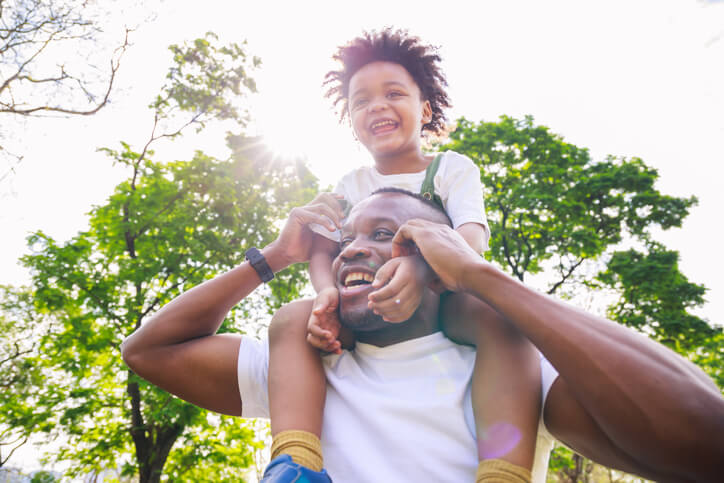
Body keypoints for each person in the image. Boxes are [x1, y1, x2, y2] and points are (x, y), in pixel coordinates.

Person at [121, 189, 724, 482]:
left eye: (389, 235)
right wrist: (276, 256)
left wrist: (482, 278)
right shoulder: (304, 362)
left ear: (437, 265)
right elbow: (149, 350)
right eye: (349, 237)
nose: (355, 245)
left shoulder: (507, 366)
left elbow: (706, 443)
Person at [267, 28, 541, 482]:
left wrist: (421, 267)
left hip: (442, 301)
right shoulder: (351, 185)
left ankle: (504, 473)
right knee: (292, 321)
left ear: (425, 109)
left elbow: (471, 236)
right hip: (367, 312)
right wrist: (325, 296)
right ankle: (295, 463)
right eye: (360, 101)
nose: (376, 105)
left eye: (394, 93)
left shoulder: (450, 170)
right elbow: (322, 249)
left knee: (505, 320)